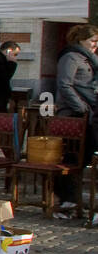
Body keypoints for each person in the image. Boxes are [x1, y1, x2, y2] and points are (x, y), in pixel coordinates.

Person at [54, 24, 98, 215]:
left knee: (83, 157)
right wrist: (80, 107)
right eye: (93, 41)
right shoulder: (71, 57)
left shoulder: (89, 59)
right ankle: (67, 199)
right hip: (73, 115)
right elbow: (64, 84)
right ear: (81, 39)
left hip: (88, 113)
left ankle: (73, 200)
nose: (95, 45)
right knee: (71, 157)